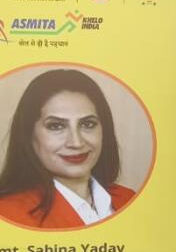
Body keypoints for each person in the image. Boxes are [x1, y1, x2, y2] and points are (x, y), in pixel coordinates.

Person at [0, 68, 136, 229]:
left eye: (88, 124)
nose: (76, 142)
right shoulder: (7, 214)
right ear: (28, 134)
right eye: (56, 126)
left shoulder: (129, 198)